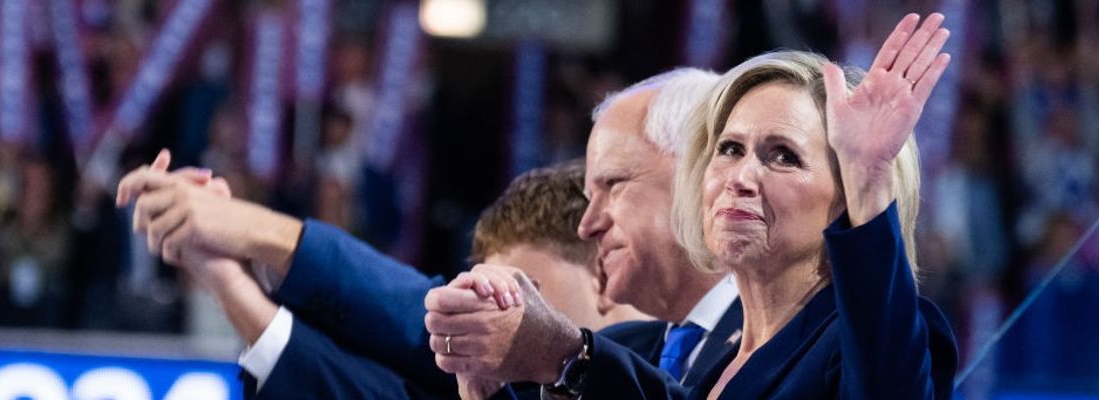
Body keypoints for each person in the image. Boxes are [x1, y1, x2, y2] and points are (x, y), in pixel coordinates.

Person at [427, 13, 959, 400]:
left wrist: (869, 180)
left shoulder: (868, 347)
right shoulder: (712, 362)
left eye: (783, 156)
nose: (741, 177)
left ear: (843, 197)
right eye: (729, 149)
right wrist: (482, 389)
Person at [117, 156, 646, 398]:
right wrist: (223, 274)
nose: (489, 314)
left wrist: (257, 230)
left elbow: (413, 318)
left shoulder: (677, 367)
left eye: (523, 291)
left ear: (600, 272)